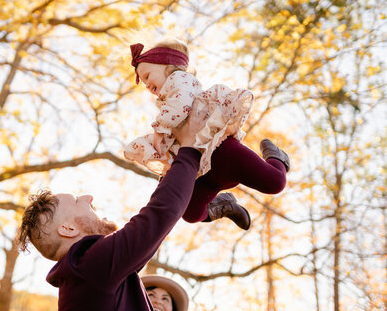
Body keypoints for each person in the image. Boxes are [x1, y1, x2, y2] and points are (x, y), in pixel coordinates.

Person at [16, 100, 249, 311]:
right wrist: (189, 148)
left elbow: (148, 235)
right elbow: (157, 218)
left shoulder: (82, 279)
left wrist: (173, 170)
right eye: (78, 201)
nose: (88, 198)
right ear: (67, 229)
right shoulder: (88, 265)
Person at [124, 39, 290, 226]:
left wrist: (159, 131)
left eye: (147, 76)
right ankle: (224, 205)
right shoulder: (165, 102)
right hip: (204, 169)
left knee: (275, 182)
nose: (146, 85)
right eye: (143, 83)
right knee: (190, 213)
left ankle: (277, 156)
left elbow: (180, 106)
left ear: (168, 66)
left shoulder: (180, 81)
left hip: (223, 153)